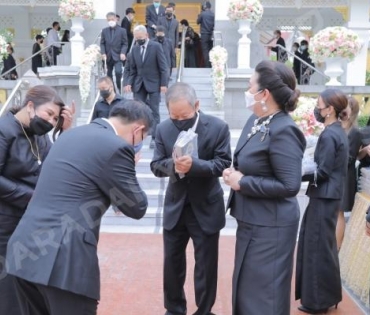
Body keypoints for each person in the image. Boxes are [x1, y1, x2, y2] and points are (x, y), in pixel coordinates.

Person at [5, 100, 152, 315]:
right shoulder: (117, 147)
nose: (138, 143)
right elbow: (137, 207)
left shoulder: (71, 135)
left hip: (25, 250)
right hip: (64, 260)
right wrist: (131, 169)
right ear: (138, 129)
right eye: (142, 139)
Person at [223, 60, 306, 315]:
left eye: (250, 87)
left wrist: (243, 182)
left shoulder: (284, 129)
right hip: (252, 219)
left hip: (272, 225)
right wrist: (234, 172)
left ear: (264, 94)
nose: (247, 92)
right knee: (246, 290)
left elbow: (289, 184)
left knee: (263, 297)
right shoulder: (256, 120)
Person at [151, 82, 232, 315]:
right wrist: (174, 166)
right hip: (176, 206)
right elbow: (156, 165)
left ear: (196, 106)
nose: (179, 120)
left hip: (206, 204)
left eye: (184, 116)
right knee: (172, 263)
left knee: (206, 265)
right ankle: (174, 308)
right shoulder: (163, 129)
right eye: (174, 116)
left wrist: (194, 165)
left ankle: (204, 310)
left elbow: (223, 163)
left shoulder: (218, 127)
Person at [0, 85, 74, 315]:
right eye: (49, 114)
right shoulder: (4, 129)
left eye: (55, 118)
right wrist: (29, 197)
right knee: (8, 281)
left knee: (28, 277)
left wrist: (66, 131)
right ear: (30, 106)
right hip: (5, 221)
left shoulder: (38, 135)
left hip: (30, 220)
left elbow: (54, 166)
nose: (51, 121)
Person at [296, 88, 349, 314]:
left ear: (330, 110)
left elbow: (323, 171)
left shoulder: (330, 134)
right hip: (329, 196)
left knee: (316, 248)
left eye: (319, 106)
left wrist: (297, 173)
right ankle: (328, 296)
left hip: (324, 196)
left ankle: (318, 302)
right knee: (323, 248)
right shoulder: (337, 131)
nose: (316, 110)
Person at [126, 25, 168, 149]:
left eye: (140, 37)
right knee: (138, 111)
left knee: (154, 111)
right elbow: (131, 69)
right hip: (139, 84)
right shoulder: (134, 50)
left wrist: (163, 84)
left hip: (154, 83)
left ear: (146, 36)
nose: (138, 40)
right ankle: (138, 137)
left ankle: (155, 138)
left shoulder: (156, 47)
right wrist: (128, 82)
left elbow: (163, 67)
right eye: (136, 38)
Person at [336, 96, 361, 251]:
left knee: (339, 214)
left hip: (345, 178)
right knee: (335, 213)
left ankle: (337, 247)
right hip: (337, 176)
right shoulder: (339, 128)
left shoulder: (354, 132)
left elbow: (349, 159)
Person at [100, 11, 128, 94]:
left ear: (116, 19)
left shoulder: (122, 30)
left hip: (118, 55)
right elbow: (102, 43)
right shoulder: (104, 31)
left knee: (118, 72)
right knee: (109, 74)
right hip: (108, 56)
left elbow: (125, 43)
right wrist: (103, 53)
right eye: (109, 20)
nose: (111, 21)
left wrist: (123, 53)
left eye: (112, 19)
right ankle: (113, 90)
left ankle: (119, 87)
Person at [197, 1, 214, 68]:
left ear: (204, 7)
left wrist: (199, 15)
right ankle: (212, 64)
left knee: (205, 50)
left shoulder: (202, 14)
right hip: (211, 34)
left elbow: (197, 22)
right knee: (211, 49)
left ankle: (207, 65)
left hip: (204, 34)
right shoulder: (213, 14)